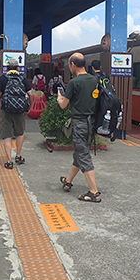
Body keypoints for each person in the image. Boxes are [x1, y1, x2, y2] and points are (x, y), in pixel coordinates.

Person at [57, 52, 101, 203]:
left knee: (83, 156)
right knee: (79, 154)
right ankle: (68, 181)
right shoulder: (94, 79)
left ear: (73, 64)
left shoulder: (74, 82)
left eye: (69, 65)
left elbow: (63, 105)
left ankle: (94, 192)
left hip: (80, 123)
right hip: (91, 123)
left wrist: (59, 97)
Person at [0, 59, 34, 169]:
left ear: (6, 68)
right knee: (20, 133)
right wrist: (29, 106)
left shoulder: (3, 79)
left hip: (6, 110)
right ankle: (18, 156)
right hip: (20, 111)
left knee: (7, 136)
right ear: (17, 68)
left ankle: (9, 161)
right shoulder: (22, 79)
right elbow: (31, 94)